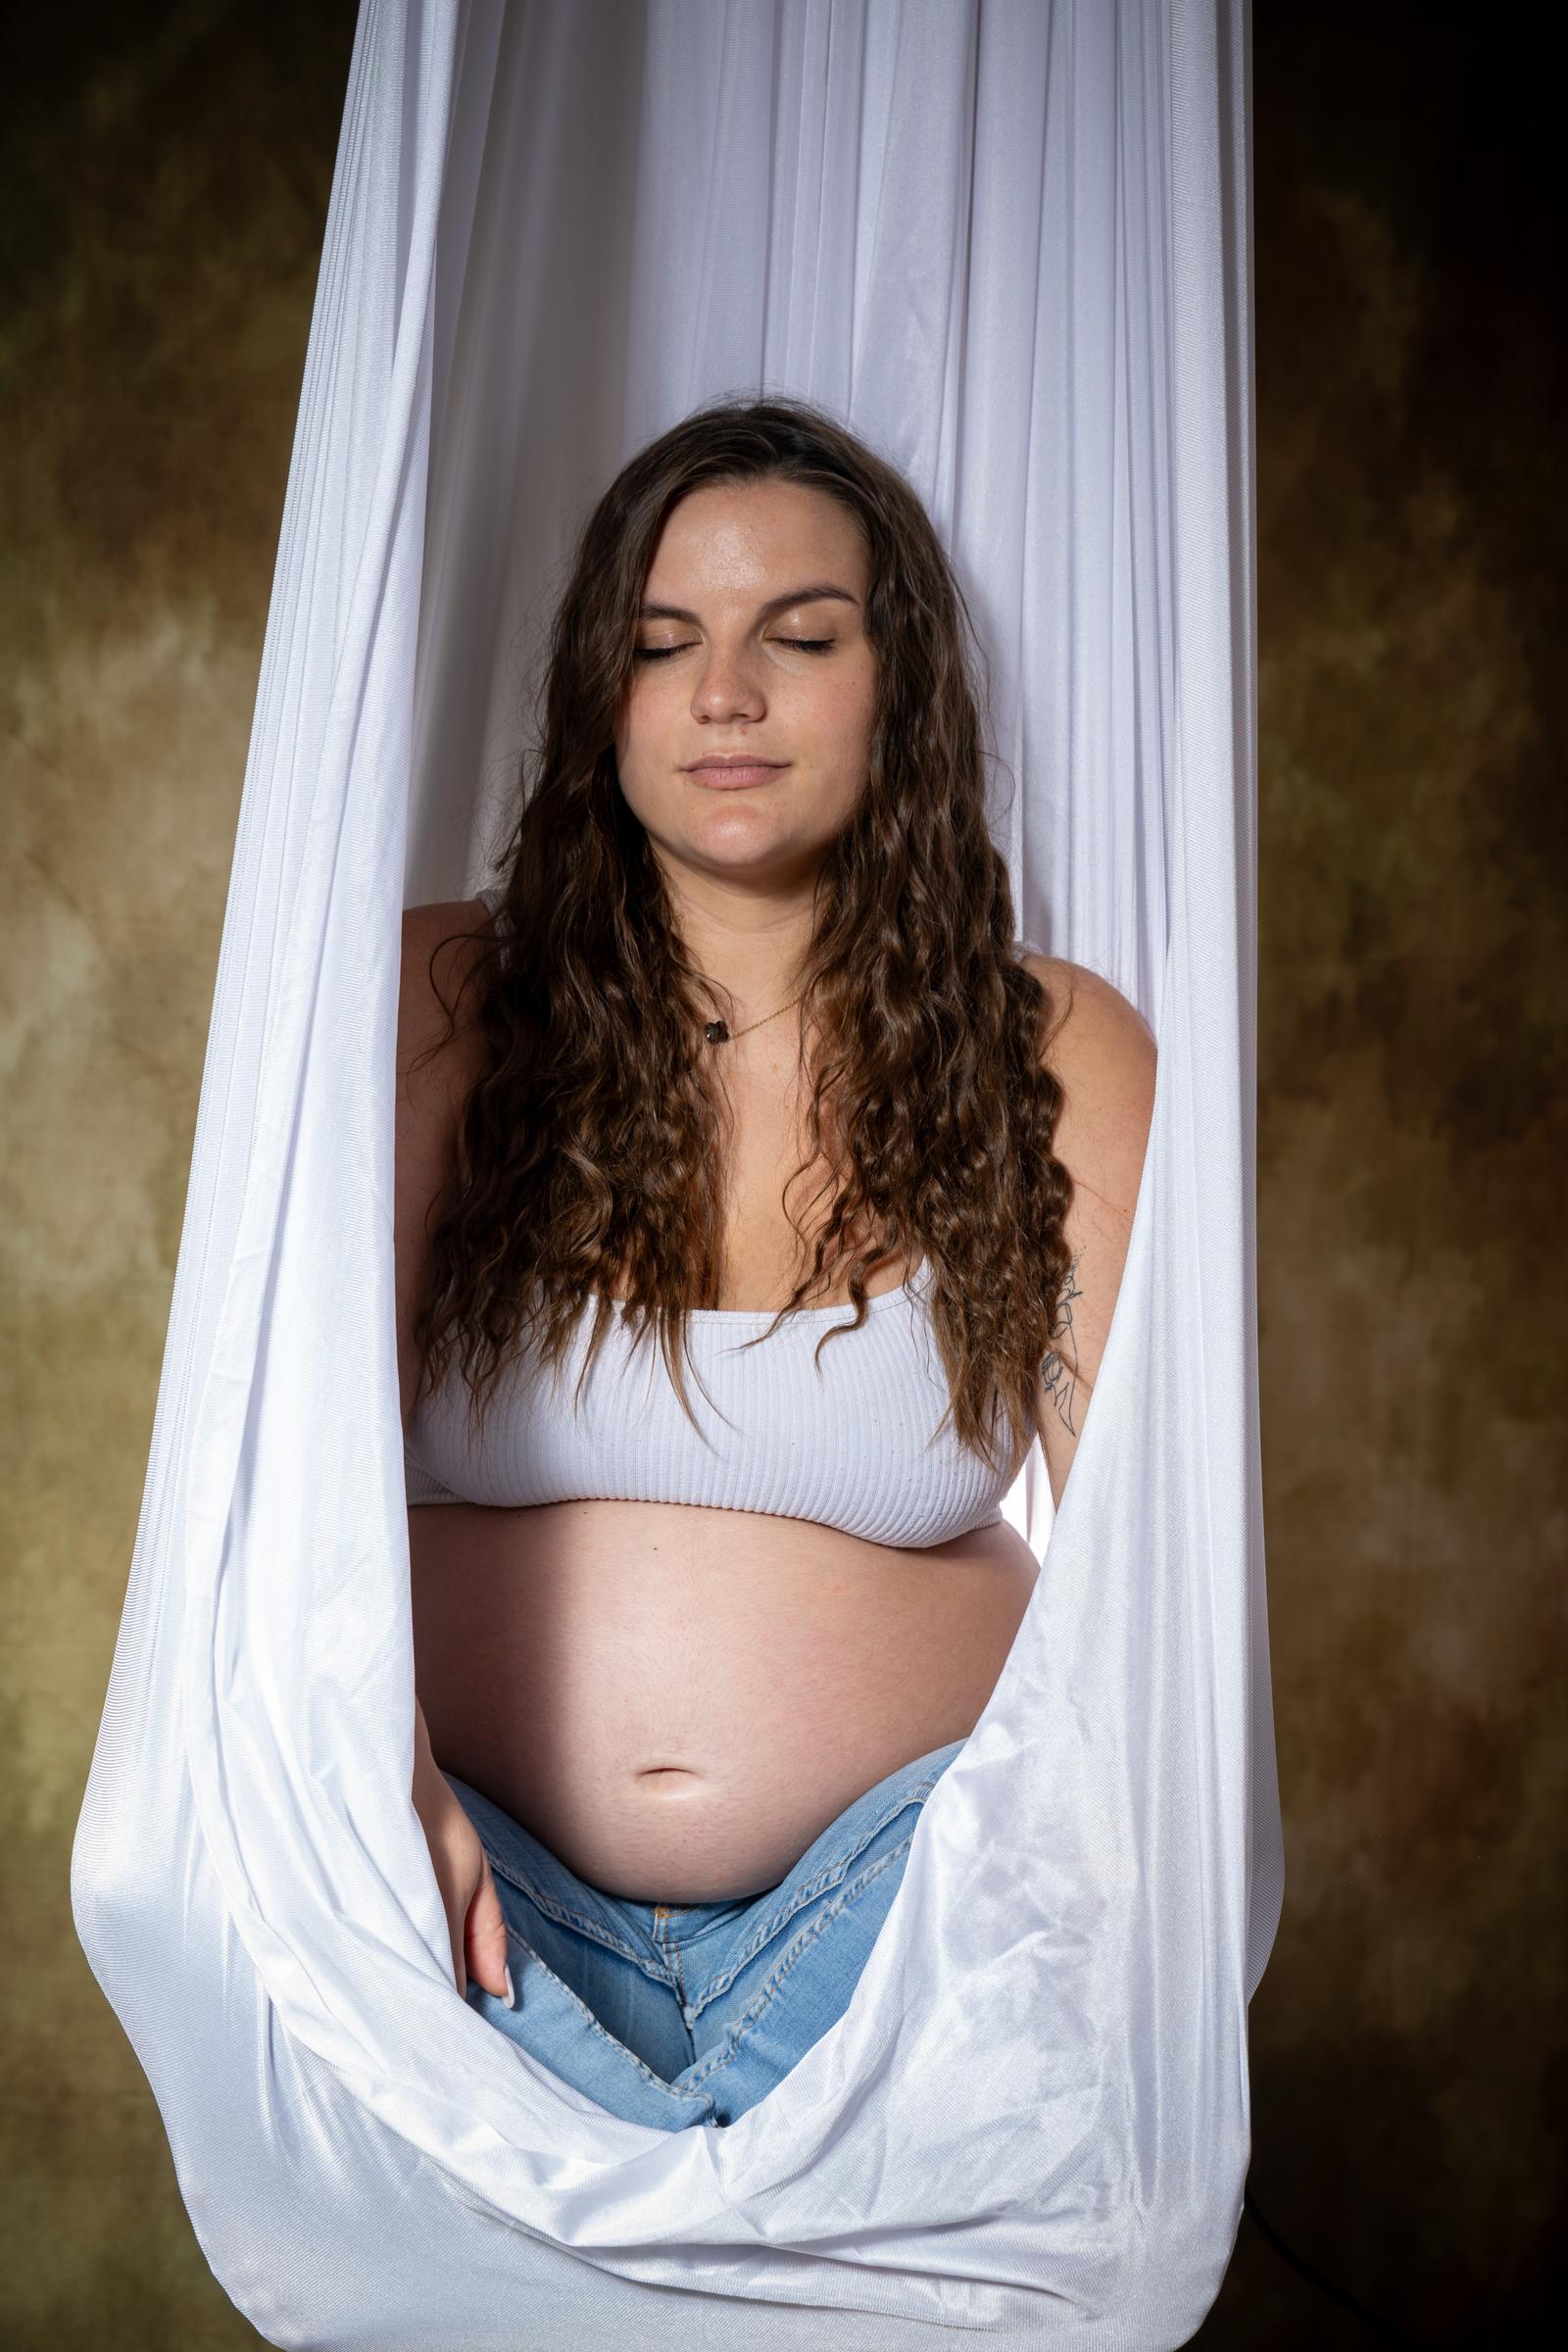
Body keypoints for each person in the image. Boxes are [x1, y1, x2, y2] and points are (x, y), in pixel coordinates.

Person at [393, 397, 1155, 2131]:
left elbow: (1141, 1564)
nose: (724, 693)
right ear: (606, 697)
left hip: (915, 1915)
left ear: (900, 686)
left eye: (796, 636)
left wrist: (1041, 1880)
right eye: (664, 646)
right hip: (466, 1898)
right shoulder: (442, 1006)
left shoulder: (1058, 1053)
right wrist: (377, 1788)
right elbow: (269, 1476)